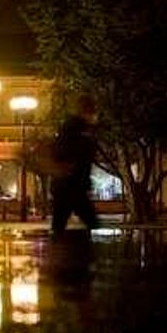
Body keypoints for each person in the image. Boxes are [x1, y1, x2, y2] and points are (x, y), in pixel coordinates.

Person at [50, 94, 99, 235]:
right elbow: (71, 153)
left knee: (60, 224)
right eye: (91, 109)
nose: (94, 112)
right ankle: (81, 255)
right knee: (90, 221)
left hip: (69, 184)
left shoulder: (75, 126)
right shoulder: (76, 127)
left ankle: (65, 253)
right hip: (71, 183)